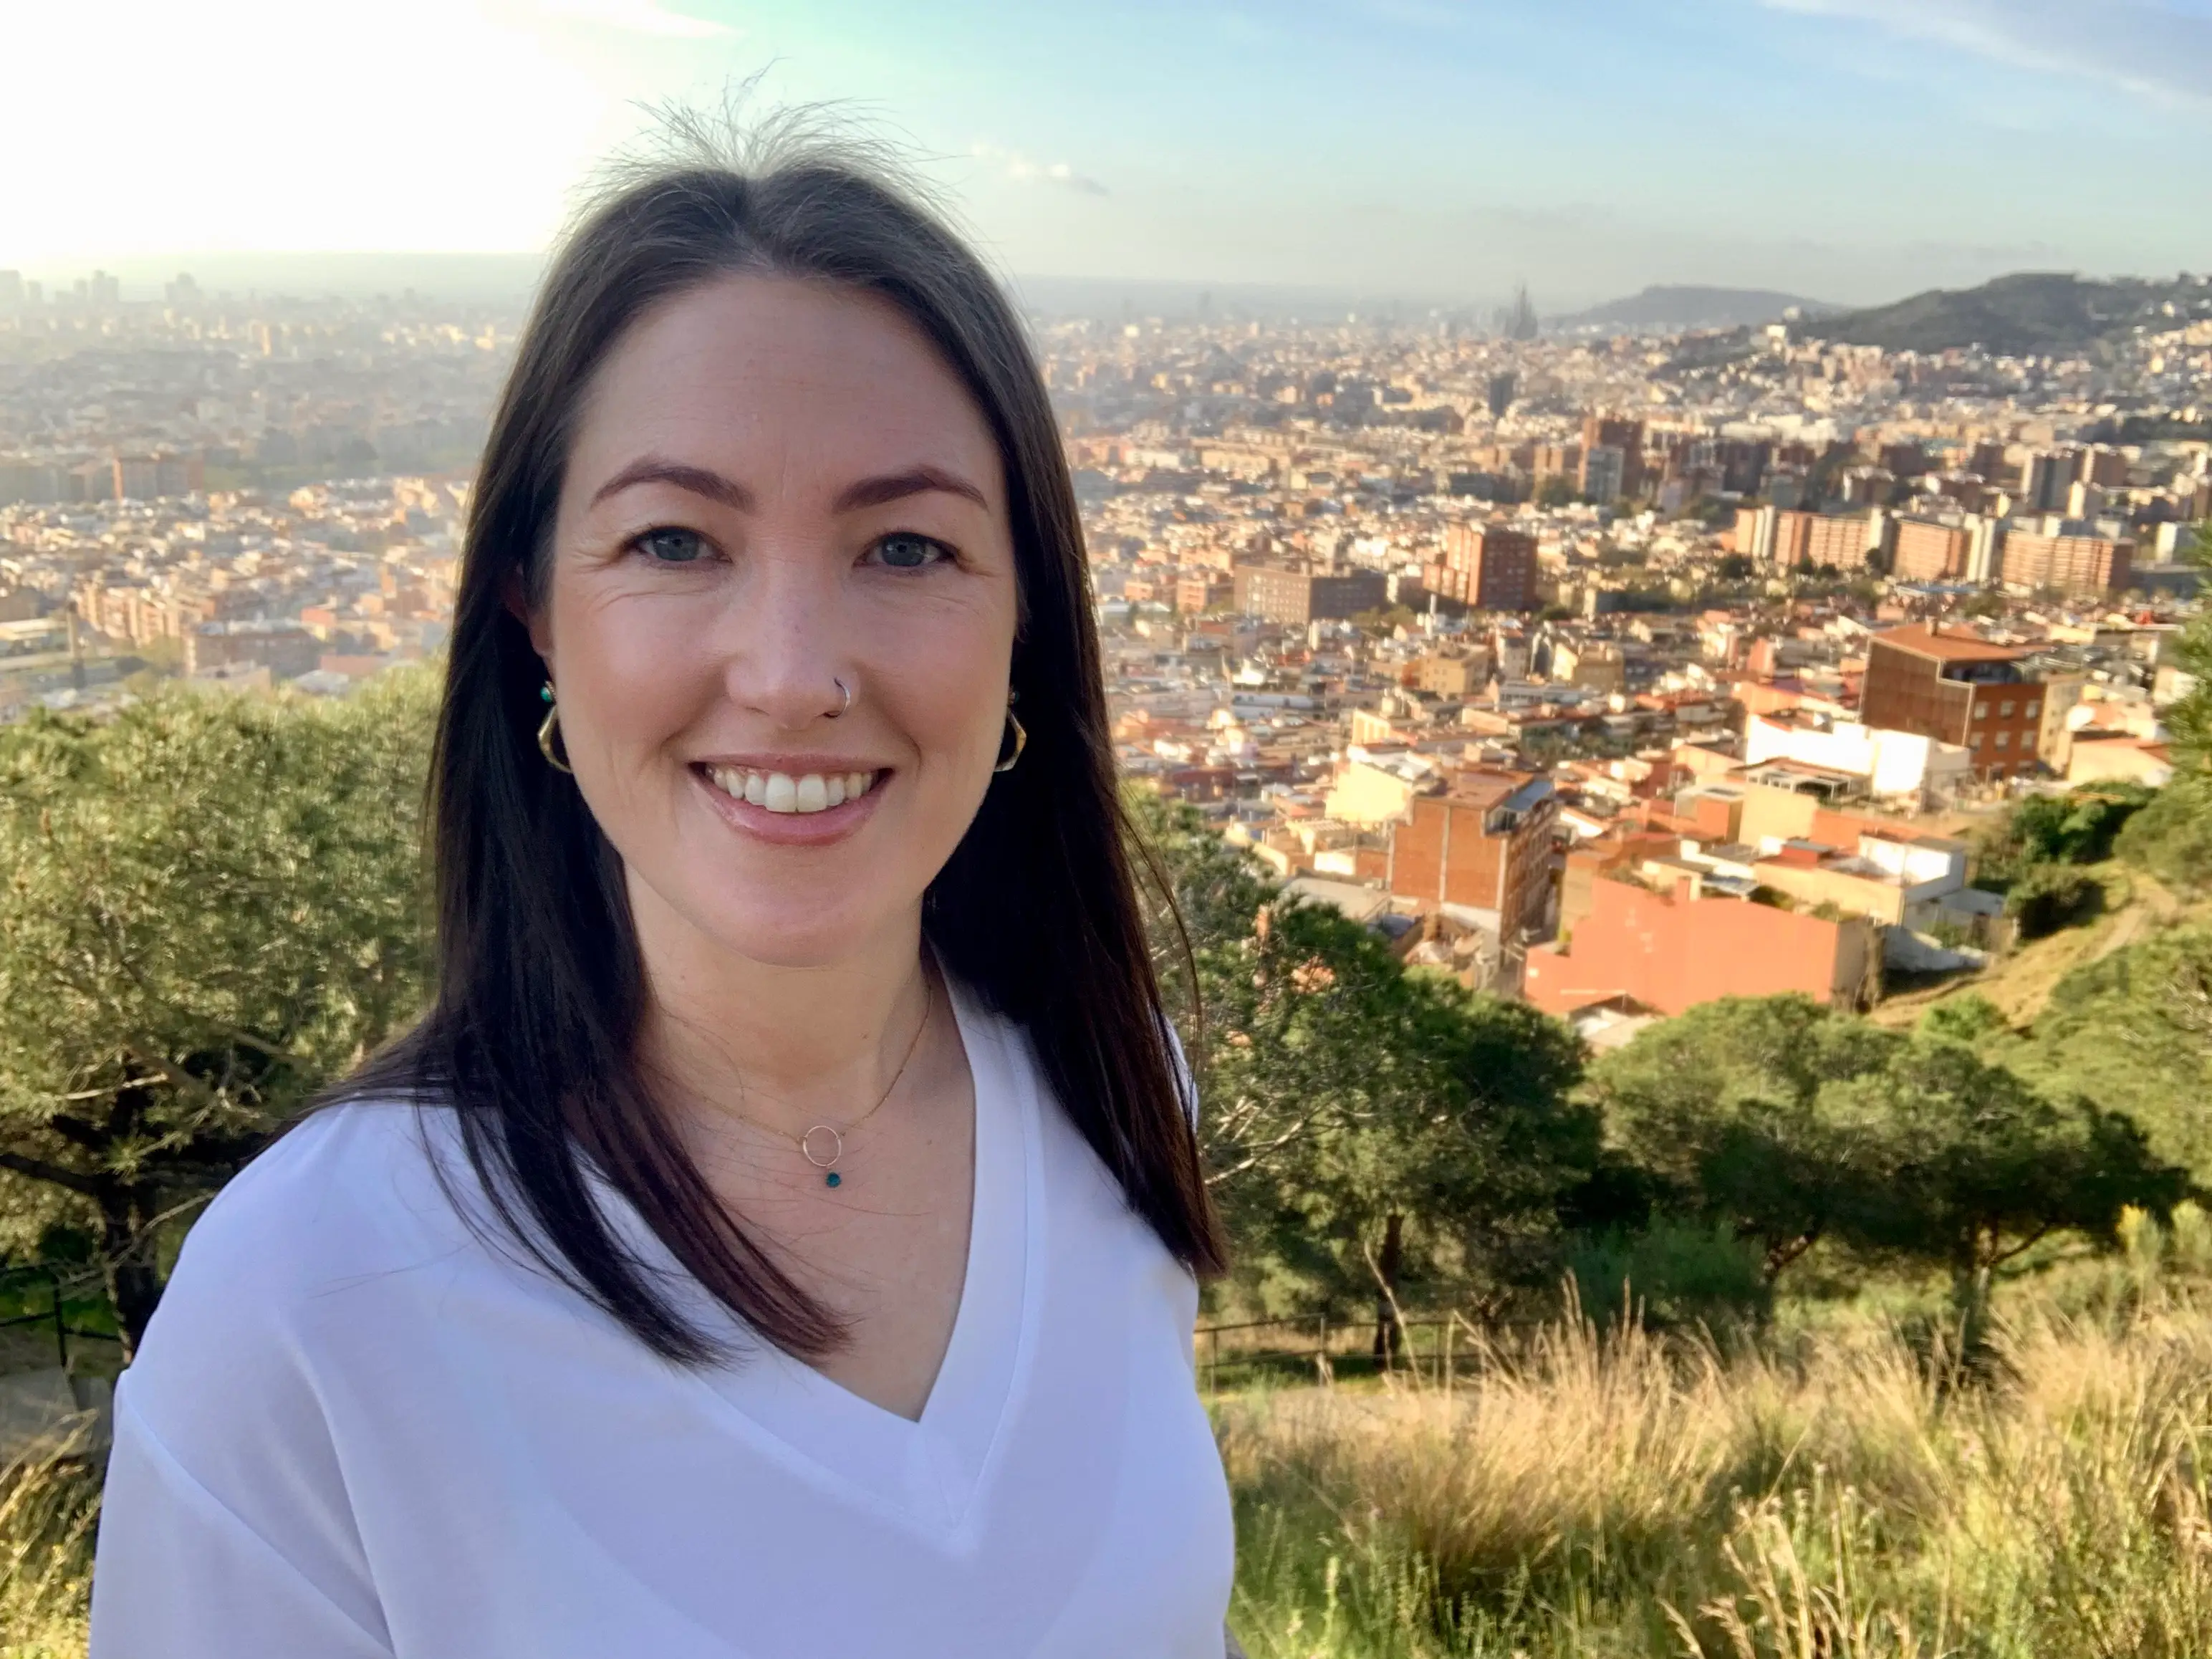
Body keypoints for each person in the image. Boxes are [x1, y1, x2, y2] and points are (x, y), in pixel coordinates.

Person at [90, 114, 1235, 1658]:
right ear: (537, 619)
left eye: (904, 549)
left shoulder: (1112, 1096)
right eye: (676, 539)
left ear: (1023, 620)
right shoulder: (309, 1299)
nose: (790, 676)